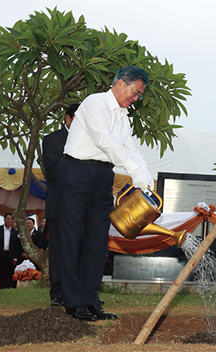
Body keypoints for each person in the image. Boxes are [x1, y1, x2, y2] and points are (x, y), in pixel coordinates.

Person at [57, 65, 154, 321]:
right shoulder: (94, 103)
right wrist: (133, 169)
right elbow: (105, 141)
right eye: (135, 92)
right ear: (120, 83)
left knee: (97, 240)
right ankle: (73, 301)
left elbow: (129, 147)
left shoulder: (123, 116)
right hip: (76, 172)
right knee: (72, 238)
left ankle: (91, 301)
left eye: (139, 96)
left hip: (103, 176)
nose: (136, 98)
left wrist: (144, 175)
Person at [42, 103, 79, 307]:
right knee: (57, 250)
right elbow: (52, 171)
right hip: (59, 205)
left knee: (80, 250)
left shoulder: (91, 140)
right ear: (68, 119)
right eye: (78, 119)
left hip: (83, 206)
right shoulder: (52, 140)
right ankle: (57, 292)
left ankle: (78, 292)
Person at [0, 213, 22, 289]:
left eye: (11, 219)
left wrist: (15, 257)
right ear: (4, 219)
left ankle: (3, 288)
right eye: (8, 219)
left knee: (5, 273)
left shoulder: (14, 232)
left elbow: (16, 246)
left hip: (8, 255)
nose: (9, 221)